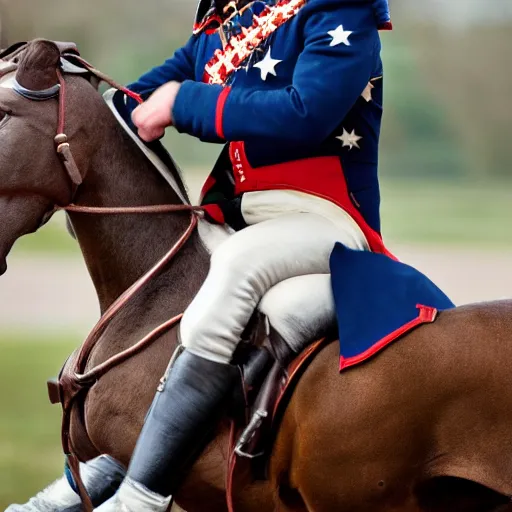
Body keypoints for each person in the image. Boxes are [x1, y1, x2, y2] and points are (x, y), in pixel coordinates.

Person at [97, 0, 392, 509]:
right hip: (239, 217)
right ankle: (100, 469)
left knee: (237, 264)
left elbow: (307, 111)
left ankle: (140, 499)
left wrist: (184, 102)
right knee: (167, 285)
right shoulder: (226, 26)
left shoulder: (340, 11)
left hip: (325, 218)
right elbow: (131, 102)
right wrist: (68, 103)